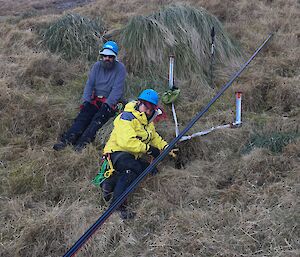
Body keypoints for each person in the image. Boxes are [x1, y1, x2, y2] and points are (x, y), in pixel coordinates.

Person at [101, 89, 170, 219]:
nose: (147, 111)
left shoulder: (148, 121)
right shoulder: (126, 117)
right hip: (116, 152)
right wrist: (149, 149)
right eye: (145, 106)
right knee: (131, 170)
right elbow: (127, 142)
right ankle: (117, 207)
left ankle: (110, 182)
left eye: (150, 108)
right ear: (139, 103)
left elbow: (153, 137)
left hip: (131, 154)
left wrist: (167, 147)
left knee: (150, 170)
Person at [53, 41, 127, 151]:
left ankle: (82, 144)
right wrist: (86, 101)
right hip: (95, 99)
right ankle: (67, 140)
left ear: (114, 57)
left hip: (109, 102)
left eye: (110, 56)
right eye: (104, 56)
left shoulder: (120, 68)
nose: (107, 58)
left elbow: (117, 89)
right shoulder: (96, 66)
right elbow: (89, 84)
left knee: (98, 119)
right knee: (83, 116)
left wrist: (107, 104)